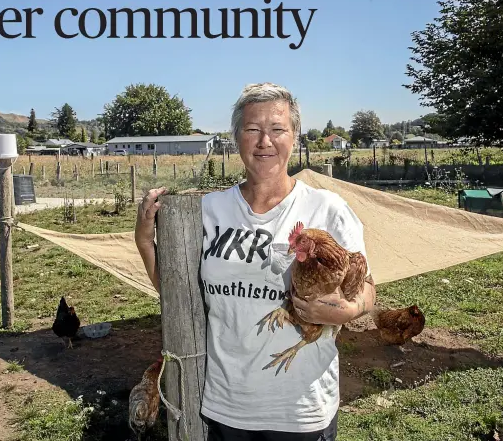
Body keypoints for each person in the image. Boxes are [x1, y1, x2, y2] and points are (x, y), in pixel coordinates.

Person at [135, 83, 375, 440]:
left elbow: (368, 290)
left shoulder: (327, 209)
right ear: (236, 139)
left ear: (294, 137)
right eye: (252, 130)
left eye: (277, 129)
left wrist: (346, 311)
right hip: (225, 403)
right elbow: (178, 297)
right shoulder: (208, 210)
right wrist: (144, 241)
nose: (265, 141)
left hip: (300, 409)